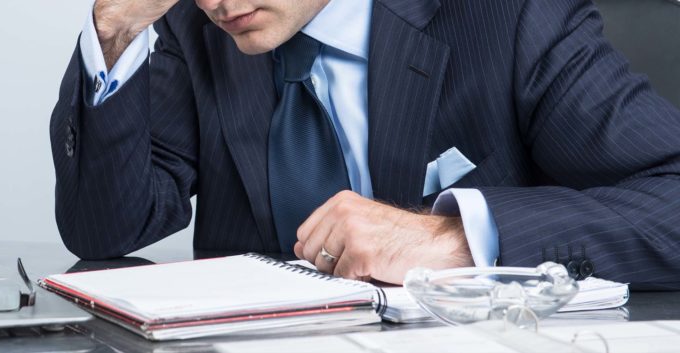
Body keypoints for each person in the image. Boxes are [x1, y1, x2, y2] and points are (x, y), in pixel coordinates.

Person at [49, 0, 680, 288]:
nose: (218, 2)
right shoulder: (194, 30)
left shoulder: (513, 17)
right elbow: (105, 231)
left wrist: (454, 240)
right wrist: (113, 32)